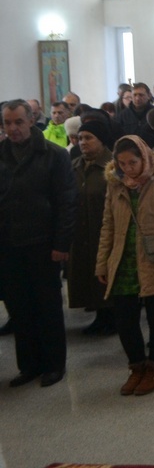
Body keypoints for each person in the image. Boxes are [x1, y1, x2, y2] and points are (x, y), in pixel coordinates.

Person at [96, 135, 154, 396]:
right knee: (125, 318)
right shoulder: (115, 182)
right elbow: (108, 225)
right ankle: (136, 366)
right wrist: (102, 263)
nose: (128, 169)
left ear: (144, 157)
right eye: (122, 164)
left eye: (132, 163)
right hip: (123, 259)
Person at [0, 99, 77, 387]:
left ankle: (54, 365)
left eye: (18, 122)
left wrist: (61, 243)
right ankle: (29, 365)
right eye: (7, 123)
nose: (13, 128)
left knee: (47, 306)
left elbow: (66, 202)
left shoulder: (53, 154)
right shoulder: (1, 154)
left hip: (43, 243)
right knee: (19, 307)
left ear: (32, 120)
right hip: (9, 243)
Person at [69, 118, 116, 336]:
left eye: (89, 138)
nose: (83, 142)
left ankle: (112, 317)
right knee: (89, 273)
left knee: (107, 274)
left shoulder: (113, 166)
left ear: (101, 140)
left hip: (104, 229)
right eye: (80, 138)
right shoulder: (75, 166)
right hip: (82, 230)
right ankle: (100, 316)